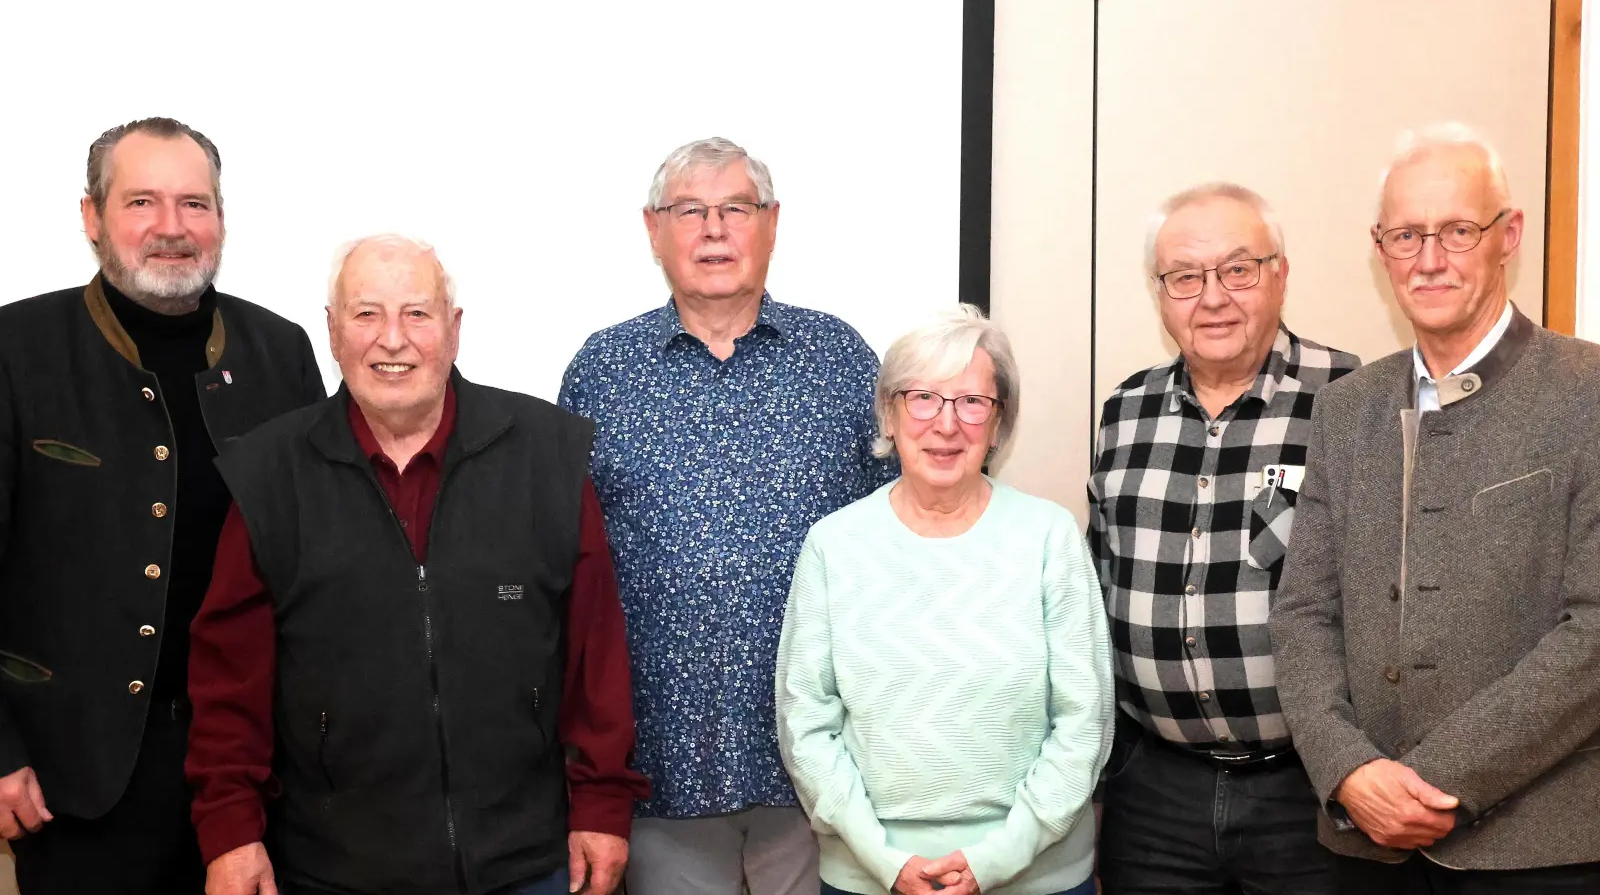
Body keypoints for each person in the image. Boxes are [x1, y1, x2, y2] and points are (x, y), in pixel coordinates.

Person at [185, 235, 649, 895]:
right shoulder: (269, 474)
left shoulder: (546, 455)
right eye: (367, 314)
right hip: (334, 867)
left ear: (454, 330)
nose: (392, 340)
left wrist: (603, 805)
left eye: (418, 314)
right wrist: (230, 830)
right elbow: (228, 679)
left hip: (529, 861)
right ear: (334, 331)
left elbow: (594, 656)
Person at [0, 117, 325, 894]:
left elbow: (318, 557)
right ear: (92, 218)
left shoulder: (280, 351)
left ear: (221, 218)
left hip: (255, 771)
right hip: (74, 778)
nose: (172, 228)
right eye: (142, 202)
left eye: (195, 204)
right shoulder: (17, 349)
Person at [559, 137, 891, 895]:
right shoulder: (600, 371)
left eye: (736, 208)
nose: (714, 230)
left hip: (819, 775)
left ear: (772, 223)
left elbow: (896, 543)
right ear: (652, 231)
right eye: (689, 211)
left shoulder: (840, 360)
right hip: (658, 774)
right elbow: (566, 570)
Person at [1272, 124, 1600, 893]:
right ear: (1379, 248)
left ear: (1507, 235)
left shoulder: (1588, 394)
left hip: (1537, 851)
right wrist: (1350, 770)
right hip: (1363, 850)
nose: (1428, 260)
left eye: (1457, 231)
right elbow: (1302, 616)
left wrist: (1427, 781)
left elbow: (1595, 631)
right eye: (1406, 235)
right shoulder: (1347, 410)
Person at [775, 305, 1111, 895]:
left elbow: (1085, 722)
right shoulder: (834, 544)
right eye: (922, 397)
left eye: (972, 402)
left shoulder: (1049, 537)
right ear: (889, 412)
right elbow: (805, 723)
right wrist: (884, 861)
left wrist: (998, 859)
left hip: (1038, 874)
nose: (946, 424)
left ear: (999, 422)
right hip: (869, 876)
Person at [1088, 183, 1358, 894]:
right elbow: (1100, 574)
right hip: (1154, 793)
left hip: (1308, 790)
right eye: (1185, 276)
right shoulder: (1125, 412)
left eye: (1239, 269)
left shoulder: (1352, 398)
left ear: (1281, 273)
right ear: (1160, 293)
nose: (1212, 297)